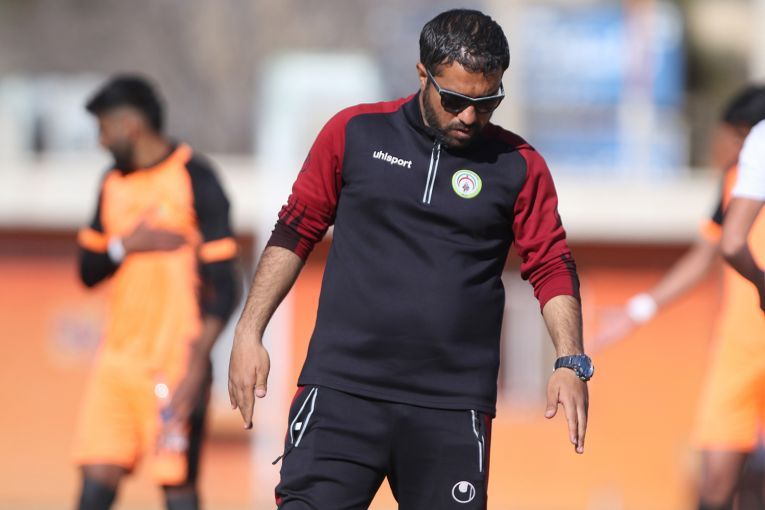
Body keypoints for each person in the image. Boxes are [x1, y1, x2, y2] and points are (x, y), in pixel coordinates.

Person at [229, 9, 591, 509]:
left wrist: (570, 361)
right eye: (456, 100)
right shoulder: (354, 132)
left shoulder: (519, 166)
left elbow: (551, 265)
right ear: (423, 74)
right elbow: (295, 230)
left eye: (487, 103)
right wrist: (249, 331)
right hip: (342, 391)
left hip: (452, 405)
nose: (470, 117)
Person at [592, 85, 765, 510]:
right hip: (739, 350)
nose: (718, 147)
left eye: (727, 136)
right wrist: (638, 310)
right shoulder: (735, 183)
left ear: (745, 133)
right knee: (715, 484)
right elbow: (706, 254)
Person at [73, 75, 239, 510]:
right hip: (116, 363)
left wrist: (197, 362)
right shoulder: (112, 183)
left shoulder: (195, 177)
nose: (100, 141)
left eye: (103, 129)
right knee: (95, 481)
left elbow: (226, 285)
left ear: (129, 126)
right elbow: (87, 270)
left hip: (173, 366)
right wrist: (124, 246)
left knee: (177, 488)